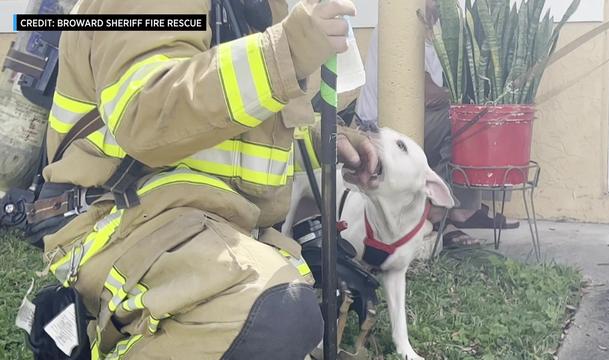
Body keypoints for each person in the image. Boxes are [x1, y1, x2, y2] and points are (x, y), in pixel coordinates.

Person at [39, 0, 379, 358]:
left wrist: (325, 143)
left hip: (189, 222)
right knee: (273, 315)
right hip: (117, 220)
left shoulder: (261, 7)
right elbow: (148, 115)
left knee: (283, 314)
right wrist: (286, 53)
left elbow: (234, 129)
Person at [355, 1, 518, 247]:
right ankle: (438, 213)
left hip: (420, 121)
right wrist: (461, 97)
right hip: (376, 128)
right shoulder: (400, 24)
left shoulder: (441, 27)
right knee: (458, 117)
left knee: (467, 117)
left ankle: (464, 209)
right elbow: (424, 91)